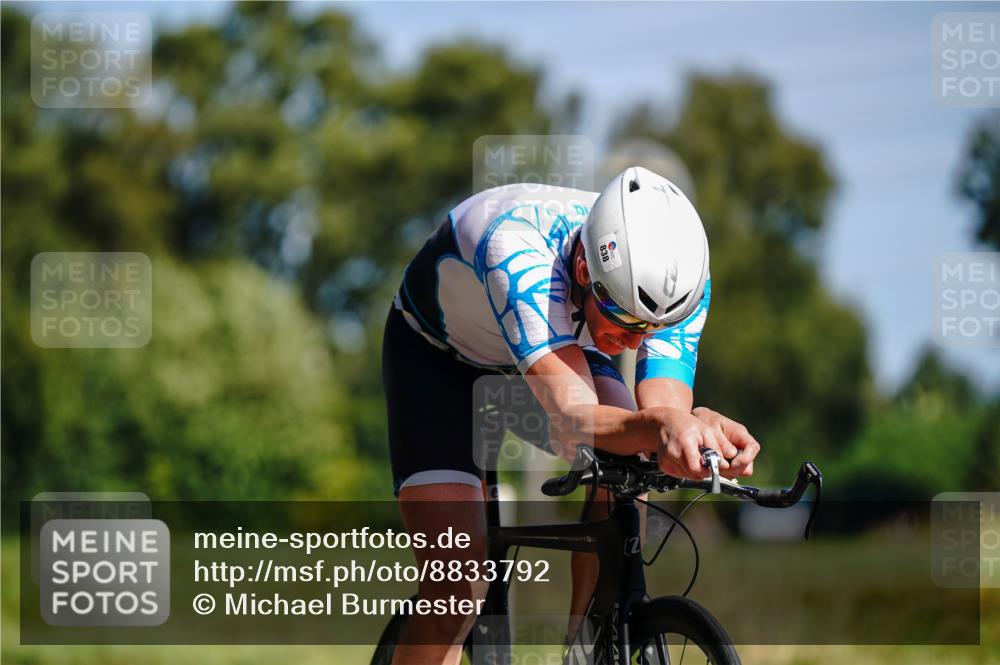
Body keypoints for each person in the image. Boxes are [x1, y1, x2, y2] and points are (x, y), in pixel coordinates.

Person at [382, 166, 760, 664]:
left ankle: (585, 647)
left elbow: (662, 413)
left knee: (634, 456)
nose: (636, 341)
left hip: (559, 344)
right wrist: (661, 428)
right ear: (585, 269)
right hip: (439, 361)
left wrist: (698, 428)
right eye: (626, 320)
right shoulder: (515, 250)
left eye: (654, 327)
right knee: (458, 587)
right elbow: (573, 417)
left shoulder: (675, 280)